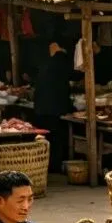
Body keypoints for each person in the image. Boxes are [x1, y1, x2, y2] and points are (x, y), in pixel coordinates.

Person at [33, 39, 75, 172]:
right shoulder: (62, 61)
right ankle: (55, 167)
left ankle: (45, 166)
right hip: (54, 108)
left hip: (41, 107)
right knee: (56, 139)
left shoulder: (46, 63)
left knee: (46, 139)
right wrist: (70, 107)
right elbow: (68, 82)